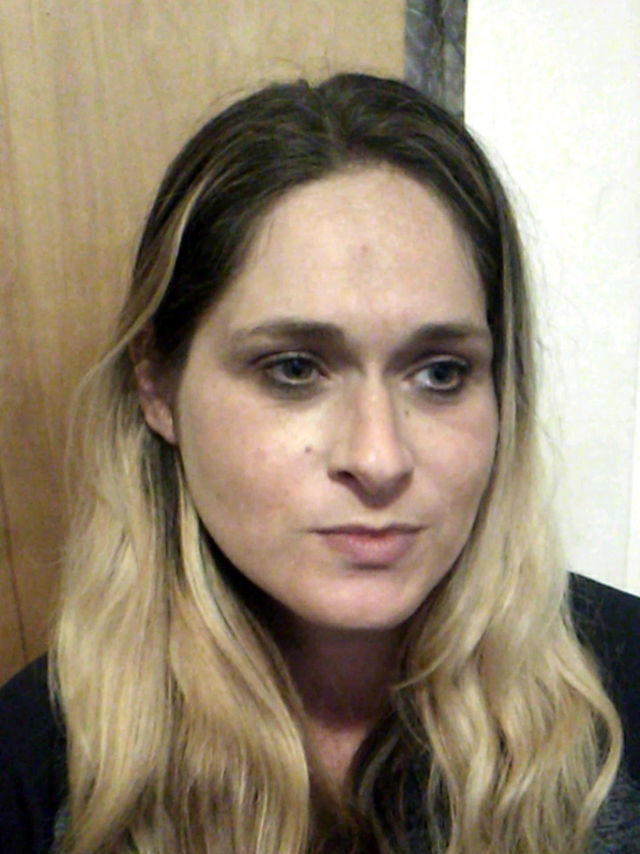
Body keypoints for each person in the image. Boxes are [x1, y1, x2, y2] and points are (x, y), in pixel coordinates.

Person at [0, 73, 638, 854]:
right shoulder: (34, 766)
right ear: (158, 385)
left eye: (440, 372)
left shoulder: (624, 693)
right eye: (294, 368)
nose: (378, 457)